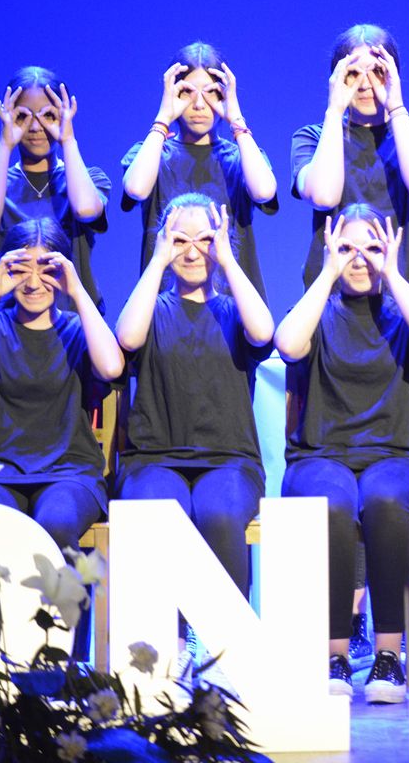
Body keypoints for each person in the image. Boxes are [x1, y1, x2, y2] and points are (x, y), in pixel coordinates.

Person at [290, 24, 409, 665]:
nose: (365, 84)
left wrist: (396, 108)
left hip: (407, 311)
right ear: (333, 80)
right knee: (333, 465)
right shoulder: (314, 134)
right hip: (329, 312)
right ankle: (345, 621)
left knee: (390, 474)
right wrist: (335, 112)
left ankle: (381, 628)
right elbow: (326, 194)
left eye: (377, 71)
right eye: (352, 73)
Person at [274, 204, 409, 704]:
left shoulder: (402, 314)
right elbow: (287, 343)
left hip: (397, 456)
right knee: (333, 504)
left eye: (373, 247)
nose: (360, 258)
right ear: (330, 250)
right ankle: (337, 653)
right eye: (347, 247)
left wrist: (392, 274)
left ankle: (389, 655)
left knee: (386, 499)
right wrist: (326, 274)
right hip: (320, 456)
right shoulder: (318, 311)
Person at [0, 218, 125, 645]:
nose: (32, 281)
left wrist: (78, 292)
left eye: (46, 268)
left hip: (67, 471)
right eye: (21, 268)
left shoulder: (76, 329)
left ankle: (63, 657)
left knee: (57, 522)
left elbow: (113, 368)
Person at [113, 193, 275, 597]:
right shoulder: (152, 309)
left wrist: (228, 261)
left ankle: (224, 650)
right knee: (157, 514)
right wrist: (157, 261)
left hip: (229, 461)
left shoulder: (233, 310)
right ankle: (169, 648)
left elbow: (263, 333)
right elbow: (127, 338)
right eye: (178, 241)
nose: (191, 252)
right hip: (153, 459)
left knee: (220, 515)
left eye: (203, 239)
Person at [122, 42, 279, 300]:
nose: (198, 105)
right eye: (187, 92)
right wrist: (162, 119)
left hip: (234, 305)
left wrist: (236, 120)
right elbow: (136, 188)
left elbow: (264, 191)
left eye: (211, 93)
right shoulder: (153, 152)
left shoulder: (240, 156)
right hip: (165, 306)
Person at [0, 67, 112, 308]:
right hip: (10, 328)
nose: (35, 127)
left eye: (48, 116)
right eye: (23, 117)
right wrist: (5, 144)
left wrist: (68, 139)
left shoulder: (90, 179)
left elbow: (86, 210)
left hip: (75, 324)